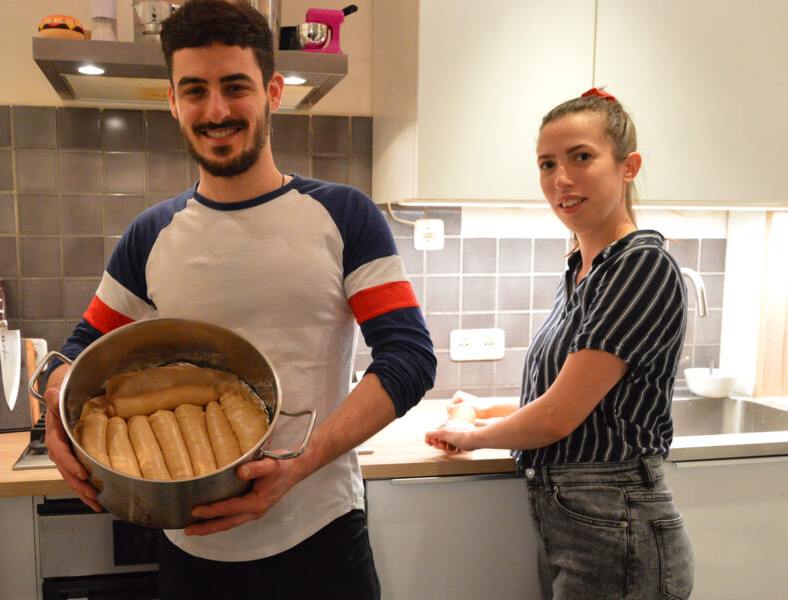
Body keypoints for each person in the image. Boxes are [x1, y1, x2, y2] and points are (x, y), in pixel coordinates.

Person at [42, 1, 436, 598]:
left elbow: (409, 359)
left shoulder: (344, 215)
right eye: (195, 90)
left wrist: (297, 466)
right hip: (191, 554)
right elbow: (75, 354)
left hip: (321, 540)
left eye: (235, 87)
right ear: (173, 100)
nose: (216, 110)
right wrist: (52, 404)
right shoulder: (151, 236)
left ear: (273, 91)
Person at [425, 89, 695, 599]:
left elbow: (557, 418)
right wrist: (484, 409)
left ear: (628, 166)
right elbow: (574, 399)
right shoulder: (581, 268)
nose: (561, 180)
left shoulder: (640, 265)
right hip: (583, 522)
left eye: (581, 158)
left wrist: (474, 436)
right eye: (547, 164)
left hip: (618, 524)